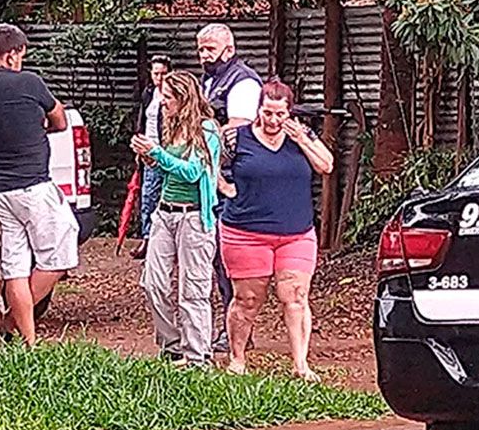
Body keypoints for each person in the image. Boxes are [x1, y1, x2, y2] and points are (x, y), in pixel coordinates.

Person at [0, 23, 79, 346]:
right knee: (61, 254)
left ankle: (28, 341)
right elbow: (60, 120)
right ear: (11, 56)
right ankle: (9, 321)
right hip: (33, 185)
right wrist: (39, 129)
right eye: (21, 56)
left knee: (16, 267)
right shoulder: (29, 83)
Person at [219, 80, 334, 381]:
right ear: (258, 110)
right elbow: (209, 163)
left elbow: (327, 165)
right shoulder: (236, 139)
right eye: (267, 113)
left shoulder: (302, 135)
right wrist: (225, 188)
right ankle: (237, 358)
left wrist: (303, 140)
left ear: (289, 113)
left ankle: (300, 364)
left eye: (279, 114)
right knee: (247, 300)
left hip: (296, 232)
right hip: (245, 232)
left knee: (295, 295)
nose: (272, 121)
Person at [131, 71, 222, 367]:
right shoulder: (172, 125)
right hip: (165, 212)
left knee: (192, 290)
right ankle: (171, 345)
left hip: (193, 217)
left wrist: (158, 152)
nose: (163, 102)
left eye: (168, 97)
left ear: (184, 98)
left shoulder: (206, 130)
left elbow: (193, 172)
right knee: (153, 282)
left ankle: (198, 357)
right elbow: (169, 170)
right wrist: (151, 158)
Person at [197, 23, 264, 353]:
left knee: (231, 257)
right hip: (209, 175)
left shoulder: (243, 81)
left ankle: (239, 331)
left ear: (229, 49)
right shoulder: (207, 81)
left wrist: (200, 140)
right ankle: (226, 328)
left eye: (210, 48)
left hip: (234, 179)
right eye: (200, 49)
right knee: (214, 258)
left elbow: (236, 131)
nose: (204, 55)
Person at [130, 54, 171, 259]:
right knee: (148, 197)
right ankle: (147, 238)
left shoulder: (173, 96)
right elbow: (141, 120)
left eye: (163, 73)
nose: (160, 78)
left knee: (167, 197)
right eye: (156, 73)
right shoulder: (148, 94)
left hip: (167, 153)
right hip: (148, 152)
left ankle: (164, 242)